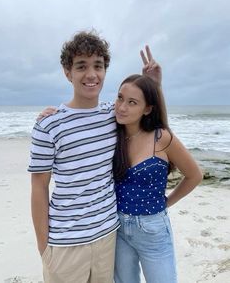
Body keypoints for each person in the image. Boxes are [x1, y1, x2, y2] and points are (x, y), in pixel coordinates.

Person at [28, 30, 158, 283]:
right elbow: (38, 187)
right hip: (65, 245)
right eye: (81, 66)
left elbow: (150, 122)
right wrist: (44, 247)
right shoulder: (49, 125)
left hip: (107, 238)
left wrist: (153, 84)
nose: (91, 74)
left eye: (98, 66)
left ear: (105, 70)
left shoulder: (114, 115)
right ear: (68, 72)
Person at [112, 74, 203, 283]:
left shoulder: (161, 138)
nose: (122, 107)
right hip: (117, 228)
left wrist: (167, 202)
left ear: (147, 109)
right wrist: (57, 113)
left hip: (152, 229)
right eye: (119, 98)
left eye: (132, 102)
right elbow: (85, 114)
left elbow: (194, 175)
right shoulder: (112, 132)